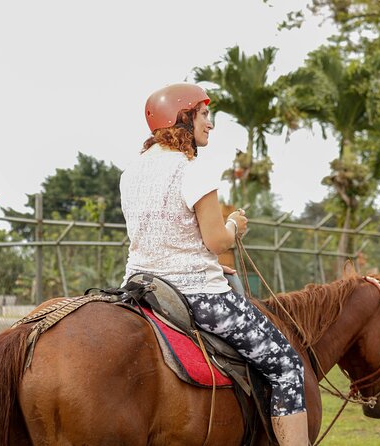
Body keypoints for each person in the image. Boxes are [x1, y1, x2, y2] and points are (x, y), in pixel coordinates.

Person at [120, 83, 309, 445]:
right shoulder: (191, 169)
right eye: (204, 114)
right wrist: (235, 225)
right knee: (287, 365)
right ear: (184, 118)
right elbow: (216, 241)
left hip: (143, 288)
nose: (211, 124)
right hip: (197, 296)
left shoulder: (132, 173)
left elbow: (161, 236)